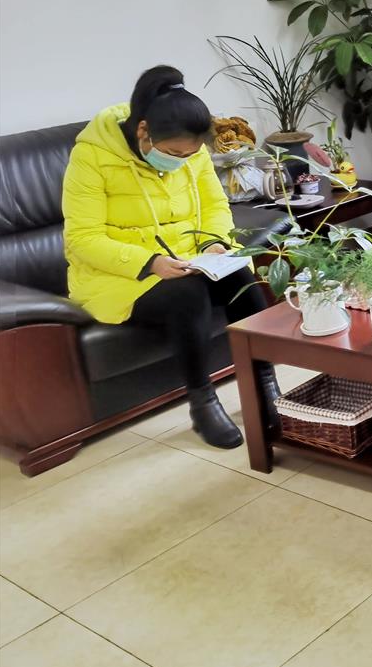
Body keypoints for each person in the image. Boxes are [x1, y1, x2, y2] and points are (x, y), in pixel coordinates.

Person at [62, 66, 281, 449]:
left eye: (191, 154)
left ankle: (265, 384)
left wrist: (213, 243)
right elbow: (83, 238)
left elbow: (215, 205)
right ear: (143, 131)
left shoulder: (190, 148)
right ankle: (203, 402)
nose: (182, 161)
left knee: (240, 277)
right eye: (174, 154)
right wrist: (150, 263)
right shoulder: (92, 156)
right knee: (187, 293)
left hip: (188, 258)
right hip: (117, 275)